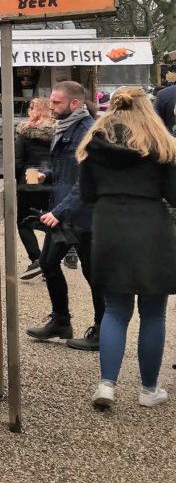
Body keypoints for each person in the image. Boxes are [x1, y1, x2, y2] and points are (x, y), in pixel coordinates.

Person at [76, 86, 176, 408]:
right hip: (151, 226)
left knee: (115, 311)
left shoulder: (94, 143)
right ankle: (148, 390)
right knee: (153, 313)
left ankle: (106, 385)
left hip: (109, 226)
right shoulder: (164, 145)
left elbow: (87, 194)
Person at [26, 81, 104, 351]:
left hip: (83, 215)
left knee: (93, 274)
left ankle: (102, 330)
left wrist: (57, 212)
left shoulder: (88, 132)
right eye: (51, 101)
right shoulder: (65, 127)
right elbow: (67, 171)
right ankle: (61, 321)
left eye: (56, 102)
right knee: (47, 263)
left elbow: (85, 183)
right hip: (63, 210)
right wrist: (47, 175)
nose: (51, 106)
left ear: (75, 104)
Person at [15, 98, 55, 280]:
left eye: (31, 108)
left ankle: (37, 258)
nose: (28, 111)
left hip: (30, 175)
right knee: (51, 220)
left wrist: (16, 181)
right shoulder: (58, 130)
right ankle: (49, 260)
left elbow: (18, 160)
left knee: (23, 221)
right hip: (52, 177)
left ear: (36, 110)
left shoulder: (25, 131)